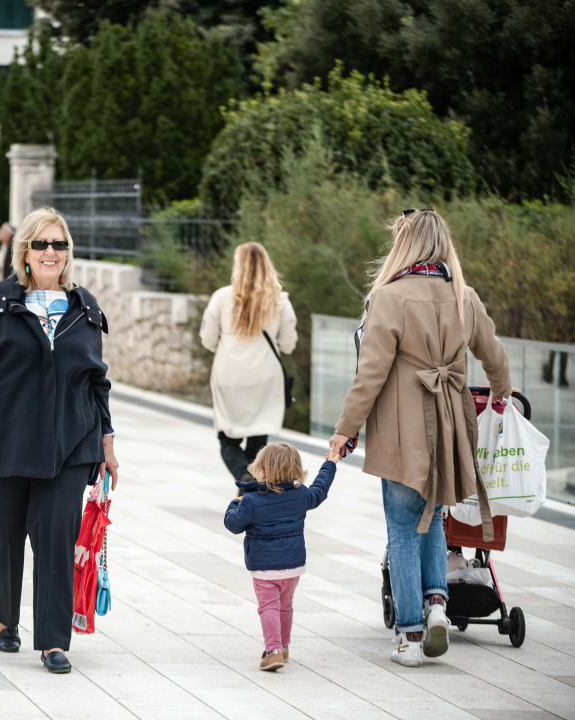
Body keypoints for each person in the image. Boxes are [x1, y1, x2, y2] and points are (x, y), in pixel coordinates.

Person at [328, 209, 511, 668]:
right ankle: (436, 606)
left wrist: (345, 431)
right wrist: (502, 397)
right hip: (450, 425)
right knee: (435, 515)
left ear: (404, 246)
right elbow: (495, 356)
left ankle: (410, 635)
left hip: (400, 432)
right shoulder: (463, 296)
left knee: (404, 525)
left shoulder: (388, 298)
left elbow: (369, 376)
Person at [0, 207, 119, 675]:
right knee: (1, 533)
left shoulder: (85, 308)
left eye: (59, 244)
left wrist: (107, 440)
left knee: (56, 535)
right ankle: (5, 617)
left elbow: (96, 381)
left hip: (69, 442)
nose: (50, 252)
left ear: (67, 253)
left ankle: (53, 642)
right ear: (25, 250)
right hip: (4, 439)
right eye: (41, 244)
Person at [224, 443, 339, 671]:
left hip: (265, 569)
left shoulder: (251, 500)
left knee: (268, 607)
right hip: (293, 568)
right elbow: (320, 489)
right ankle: (283, 647)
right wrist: (330, 464)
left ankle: (274, 651)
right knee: (285, 606)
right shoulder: (301, 495)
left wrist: (233, 504)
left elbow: (233, 525)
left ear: (263, 471)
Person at [199, 243, 297, 484]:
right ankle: (251, 482)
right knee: (257, 438)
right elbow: (288, 344)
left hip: (229, 375)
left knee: (227, 439)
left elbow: (207, 339)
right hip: (265, 377)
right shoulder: (280, 301)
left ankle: (245, 479)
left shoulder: (221, 297)